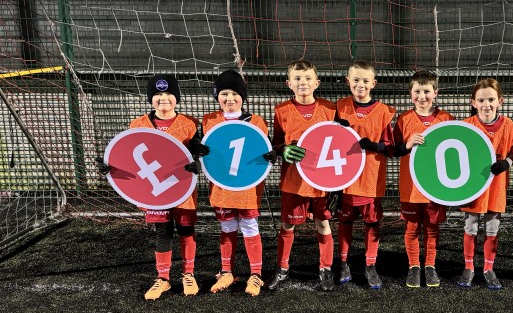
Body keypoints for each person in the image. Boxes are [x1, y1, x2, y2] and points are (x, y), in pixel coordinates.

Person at [98, 74, 208, 300]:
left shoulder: (189, 123)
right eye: (157, 95)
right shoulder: (138, 125)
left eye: (168, 94)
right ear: (150, 98)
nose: (163, 98)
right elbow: (127, 153)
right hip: (154, 192)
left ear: (176, 98)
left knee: (186, 231)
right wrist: (111, 167)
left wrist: (197, 160)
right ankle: (163, 278)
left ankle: (189, 274)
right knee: (162, 232)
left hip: (182, 189)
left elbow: (197, 149)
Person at [265, 60, 339, 292]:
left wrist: (337, 184)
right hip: (293, 180)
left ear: (317, 83)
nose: (302, 83)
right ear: (289, 83)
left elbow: (339, 142)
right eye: (297, 79)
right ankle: (282, 268)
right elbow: (276, 142)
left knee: (323, 224)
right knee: (287, 225)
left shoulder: (330, 109)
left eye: (307, 78)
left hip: (321, 182)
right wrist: (282, 150)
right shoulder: (281, 110)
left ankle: (326, 269)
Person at [203, 69, 275, 297]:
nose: (229, 98)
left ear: (243, 97)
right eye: (224, 93)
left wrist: (271, 154)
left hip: (247, 186)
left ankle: (256, 274)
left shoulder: (256, 121)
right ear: (217, 96)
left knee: (250, 227)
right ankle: (226, 271)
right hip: (222, 186)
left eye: (235, 93)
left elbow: (263, 151)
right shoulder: (209, 120)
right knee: (227, 227)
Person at [335, 61, 396, 289]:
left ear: (374, 83)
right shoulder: (339, 107)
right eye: (356, 80)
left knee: (372, 222)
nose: (361, 84)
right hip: (345, 178)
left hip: (371, 179)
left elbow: (390, 148)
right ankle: (343, 262)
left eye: (365, 80)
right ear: (348, 81)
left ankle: (370, 265)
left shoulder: (383, 112)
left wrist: (374, 146)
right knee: (345, 220)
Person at [393, 70, 454, 288]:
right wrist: (407, 145)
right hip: (410, 187)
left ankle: (430, 266)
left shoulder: (446, 118)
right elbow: (395, 150)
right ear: (410, 93)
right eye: (417, 91)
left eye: (426, 91)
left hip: (436, 187)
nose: (422, 96)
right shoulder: (404, 119)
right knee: (412, 228)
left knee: (432, 229)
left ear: (435, 93)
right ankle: (413, 266)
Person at [458, 78, 513, 290]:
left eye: (491, 99)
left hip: (496, 187)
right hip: (473, 188)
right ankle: (469, 267)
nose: (487, 104)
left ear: (500, 101)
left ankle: (488, 268)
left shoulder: (509, 126)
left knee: (492, 228)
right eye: (481, 100)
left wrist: (506, 163)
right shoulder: (466, 126)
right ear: (473, 102)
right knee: (470, 226)